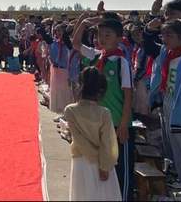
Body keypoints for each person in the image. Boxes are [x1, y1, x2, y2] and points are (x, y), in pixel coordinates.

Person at [73, 13, 133, 200]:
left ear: (119, 38)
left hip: (117, 123)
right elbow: (76, 44)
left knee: (120, 167)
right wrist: (83, 23)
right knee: (103, 166)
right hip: (98, 123)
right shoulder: (96, 56)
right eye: (100, 35)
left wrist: (124, 124)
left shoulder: (121, 62)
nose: (102, 39)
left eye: (108, 35)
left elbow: (128, 95)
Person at [64, 67, 121, 201]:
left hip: (81, 161)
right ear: (100, 91)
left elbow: (78, 139)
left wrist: (93, 157)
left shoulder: (70, 111)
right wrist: (104, 166)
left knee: (82, 196)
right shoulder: (104, 113)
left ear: (80, 86)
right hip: (103, 162)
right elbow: (108, 143)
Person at [146, 19, 181, 192]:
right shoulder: (167, 53)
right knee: (178, 158)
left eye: (169, 35)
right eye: (163, 35)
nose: (164, 39)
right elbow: (149, 45)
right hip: (168, 108)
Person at [42, 23, 74, 114]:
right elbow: (43, 34)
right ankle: (61, 112)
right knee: (57, 92)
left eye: (60, 30)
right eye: (56, 31)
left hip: (65, 71)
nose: (57, 33)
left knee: (66, 93)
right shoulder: (54, 42)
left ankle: (67, 113)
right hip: (56, 70)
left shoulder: (69, 43)